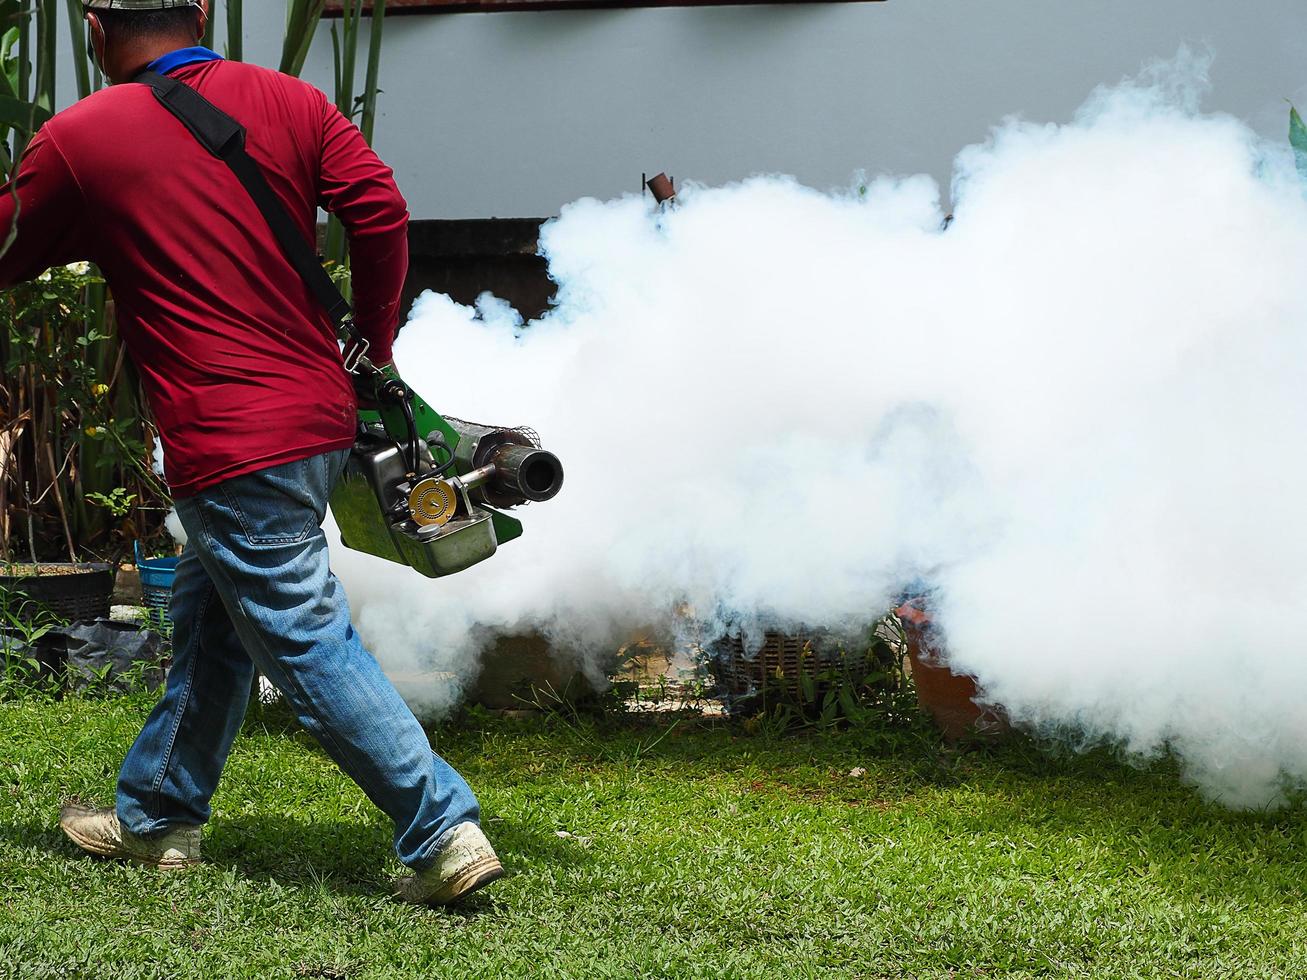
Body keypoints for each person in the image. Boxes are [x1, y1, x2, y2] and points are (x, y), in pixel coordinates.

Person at [0, 0, 503, 906]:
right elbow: (380, 209)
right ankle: (159, 816)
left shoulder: (80, 136)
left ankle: (440, 829)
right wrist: (373, 347)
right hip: (318, 416)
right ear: (198, 13)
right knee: (211, 617)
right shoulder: (294, 101)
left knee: (302, 638)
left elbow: (7, 245)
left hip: (228, 435)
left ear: (91, 27)